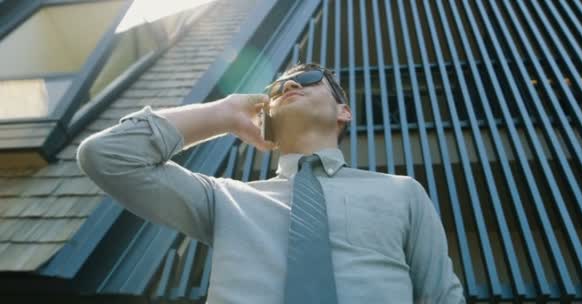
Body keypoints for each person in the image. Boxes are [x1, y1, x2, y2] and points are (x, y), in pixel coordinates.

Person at [77, 62, 465, 303]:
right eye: (276, 89)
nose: (288, 87)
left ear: (343, 111)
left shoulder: (402, 191)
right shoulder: (224, 200)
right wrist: (224, 113)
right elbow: (108, 156)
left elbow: (441, 297)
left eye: (307, 80)